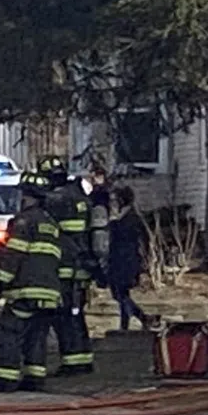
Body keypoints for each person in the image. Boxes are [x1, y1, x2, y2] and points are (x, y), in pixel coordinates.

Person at [0, 168, 63, 391]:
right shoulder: (51, 224)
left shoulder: (23, 222)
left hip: (26, 291)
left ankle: (7, 379)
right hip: (50, 292)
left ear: (27, 196)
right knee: (36, 336)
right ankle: (34, 378)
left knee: (9, 333)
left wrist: (0, 281)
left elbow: (14, 257)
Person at [43, 159, 96, 375]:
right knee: (76, 314)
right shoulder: (81, 198)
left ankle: (72, 362)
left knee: (63, 316)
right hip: (82, 268)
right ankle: (84, 358)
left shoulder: (54, 199)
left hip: (63, 269)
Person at [105, 185, 149, 333]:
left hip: (125, 260)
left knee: (120, 293)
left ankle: (141, 317)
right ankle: (127, 323)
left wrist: (112, 224)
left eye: (115, 200)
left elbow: (125, 238)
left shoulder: (129, 219)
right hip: (122, 260)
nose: (113, 204)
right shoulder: (127, 217)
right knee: (121, 293)